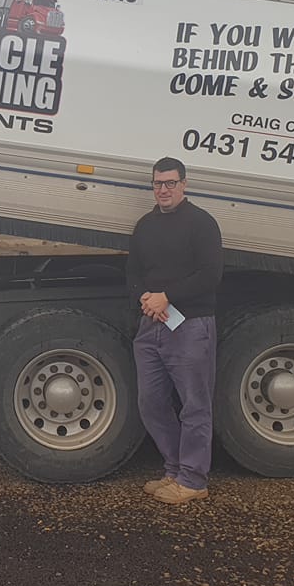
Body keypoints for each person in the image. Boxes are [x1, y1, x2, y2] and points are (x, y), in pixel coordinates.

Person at [126, 156, 224, 504]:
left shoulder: (202, 224)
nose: (163, 190)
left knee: (195, 405)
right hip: (151, 323)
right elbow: (133, 272)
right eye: (158, 183)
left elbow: (210, 275)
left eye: (170, 183)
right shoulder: (145, 226)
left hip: (191, 326)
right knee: (151, 402)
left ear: (184, 184)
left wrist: (167, 296)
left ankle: (194, 480)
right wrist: (145, 298)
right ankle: (174, 469)